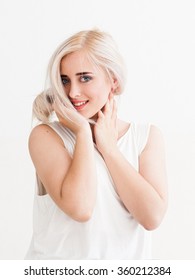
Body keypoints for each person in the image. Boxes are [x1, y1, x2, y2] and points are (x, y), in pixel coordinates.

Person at [25, 29, 168, 260]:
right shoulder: (46, 136)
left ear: (113, 80)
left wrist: (109, 148)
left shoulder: (146, 137)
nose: (72, 92)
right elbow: (81, 208)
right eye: (64, 80)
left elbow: (152, 217)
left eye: (85, 78)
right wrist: (82, 131)